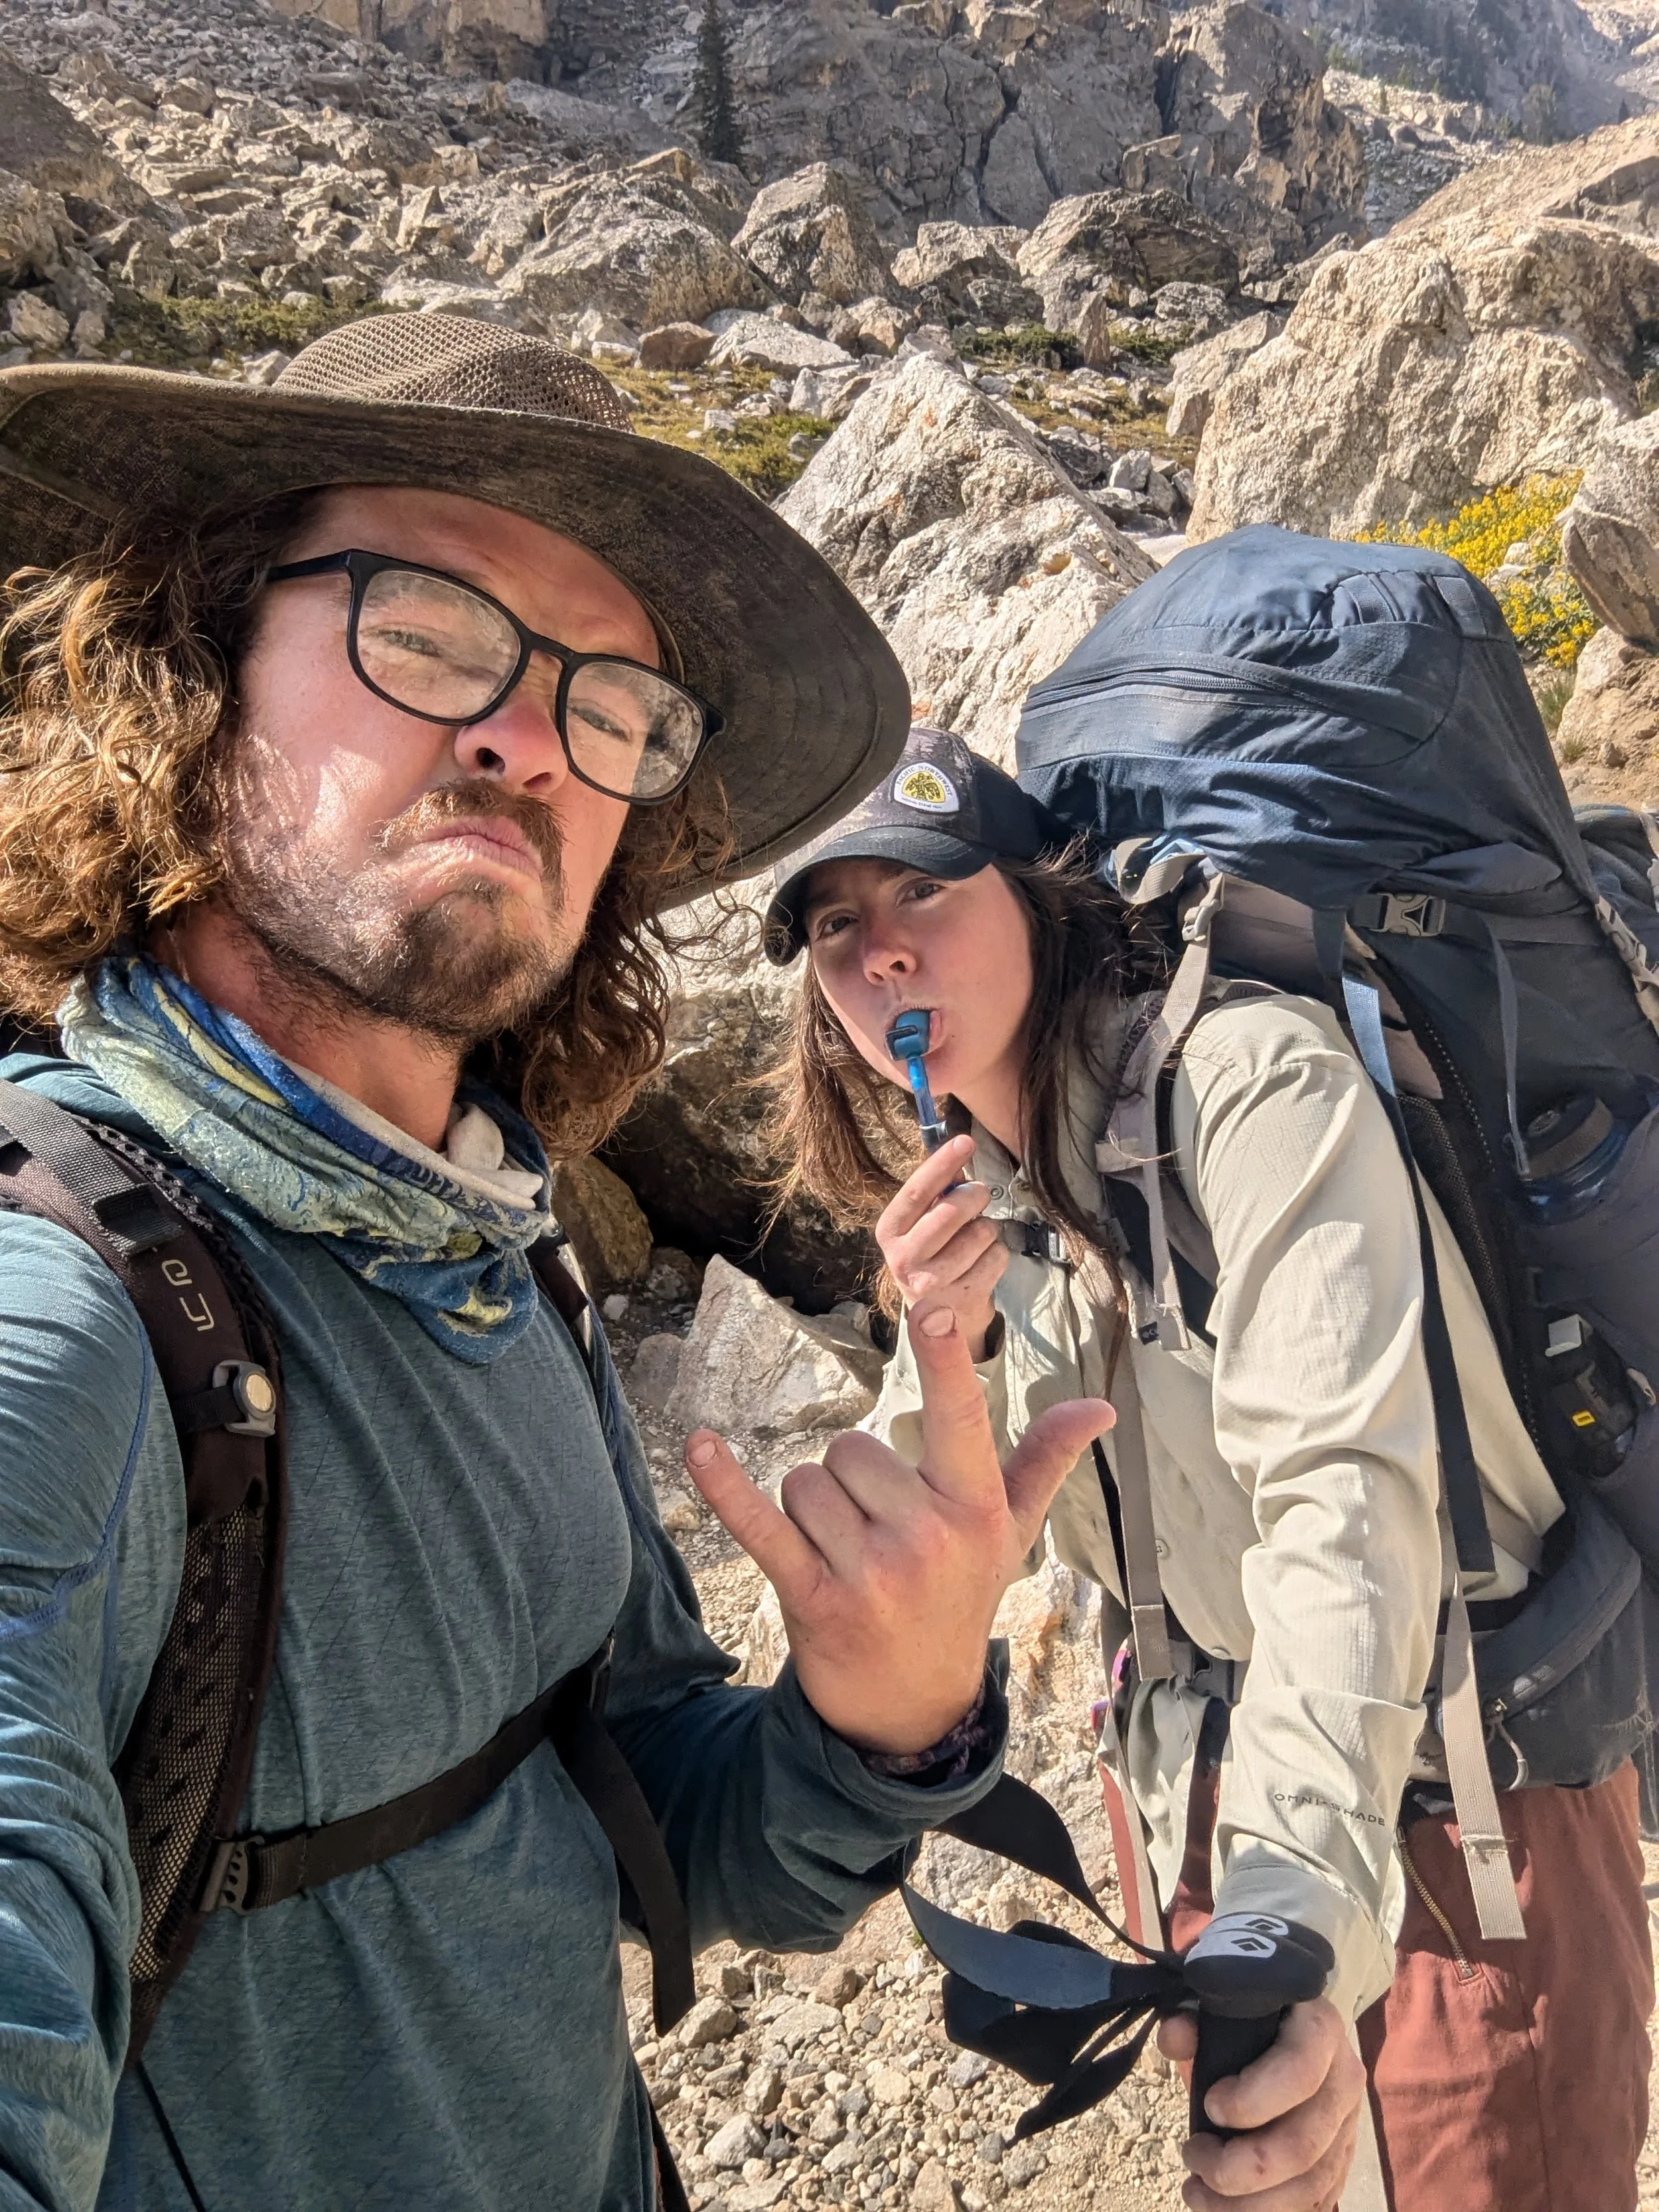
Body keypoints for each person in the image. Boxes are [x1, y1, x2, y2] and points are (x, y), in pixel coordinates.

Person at [0, 317, 1112, 2211]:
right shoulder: (73, 1327)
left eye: (611, 707)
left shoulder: (501, 1257)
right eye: (425, 632)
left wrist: (881, 1709)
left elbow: (664, 1826)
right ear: (186, 669)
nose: (527, 739)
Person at [764, 723, 1655, 2212]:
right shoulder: (998, 1186)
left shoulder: (1252, 1086)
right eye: (835, 924)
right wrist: (937, 1359)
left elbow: (1346, 1508)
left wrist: (1290, 1900)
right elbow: (981, 1552)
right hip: (1205, 1816)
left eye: (921, 890)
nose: (880, 958)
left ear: (1035, 897)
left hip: (1447, 1817)